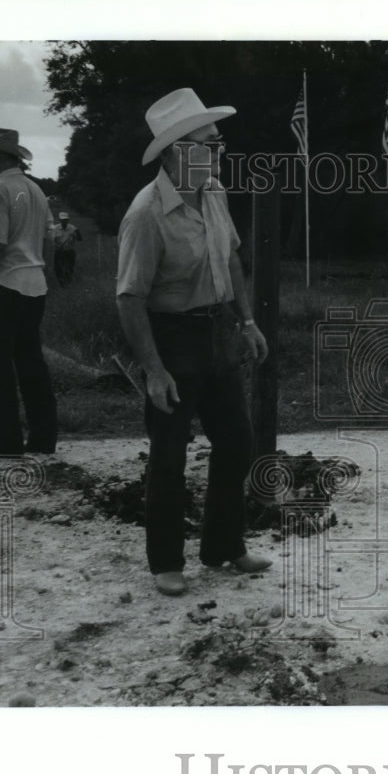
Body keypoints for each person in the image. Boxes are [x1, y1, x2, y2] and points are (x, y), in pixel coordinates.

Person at [116, 88, 271, 596]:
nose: (220, 151)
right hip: (172, 339)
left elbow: (230, 261)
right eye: (211, 143)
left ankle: (224, 546)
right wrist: (154, 370)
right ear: (179, 150)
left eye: (218, 142)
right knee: (169, 454)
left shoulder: (215, 192)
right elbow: (130, 298)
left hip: (218, 333)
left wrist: (247, 322)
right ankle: (166, 562)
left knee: (236, 440)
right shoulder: (145, 213)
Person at [0, 128, 58, 457]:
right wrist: (42, 269)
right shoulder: (35, 189)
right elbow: (49, 239)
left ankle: (8, 441)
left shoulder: (0, 188)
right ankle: (44, 438)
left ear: (4, 157)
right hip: (35, 286)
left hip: (5, 285)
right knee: (31, 361)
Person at [52, 211, 82, 287]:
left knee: (69, 268)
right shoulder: (55, 228)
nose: (64, 221)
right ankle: (61, 283)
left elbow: (80, 239)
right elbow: (52, 239)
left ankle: (68, 283)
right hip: (59, 251)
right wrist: (57, 245)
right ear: (60, 220)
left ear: (68, 220)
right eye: (62, 220)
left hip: (69, 251)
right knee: (58, 268)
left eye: (65, 220)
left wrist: (77, 233)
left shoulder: (72, 228)